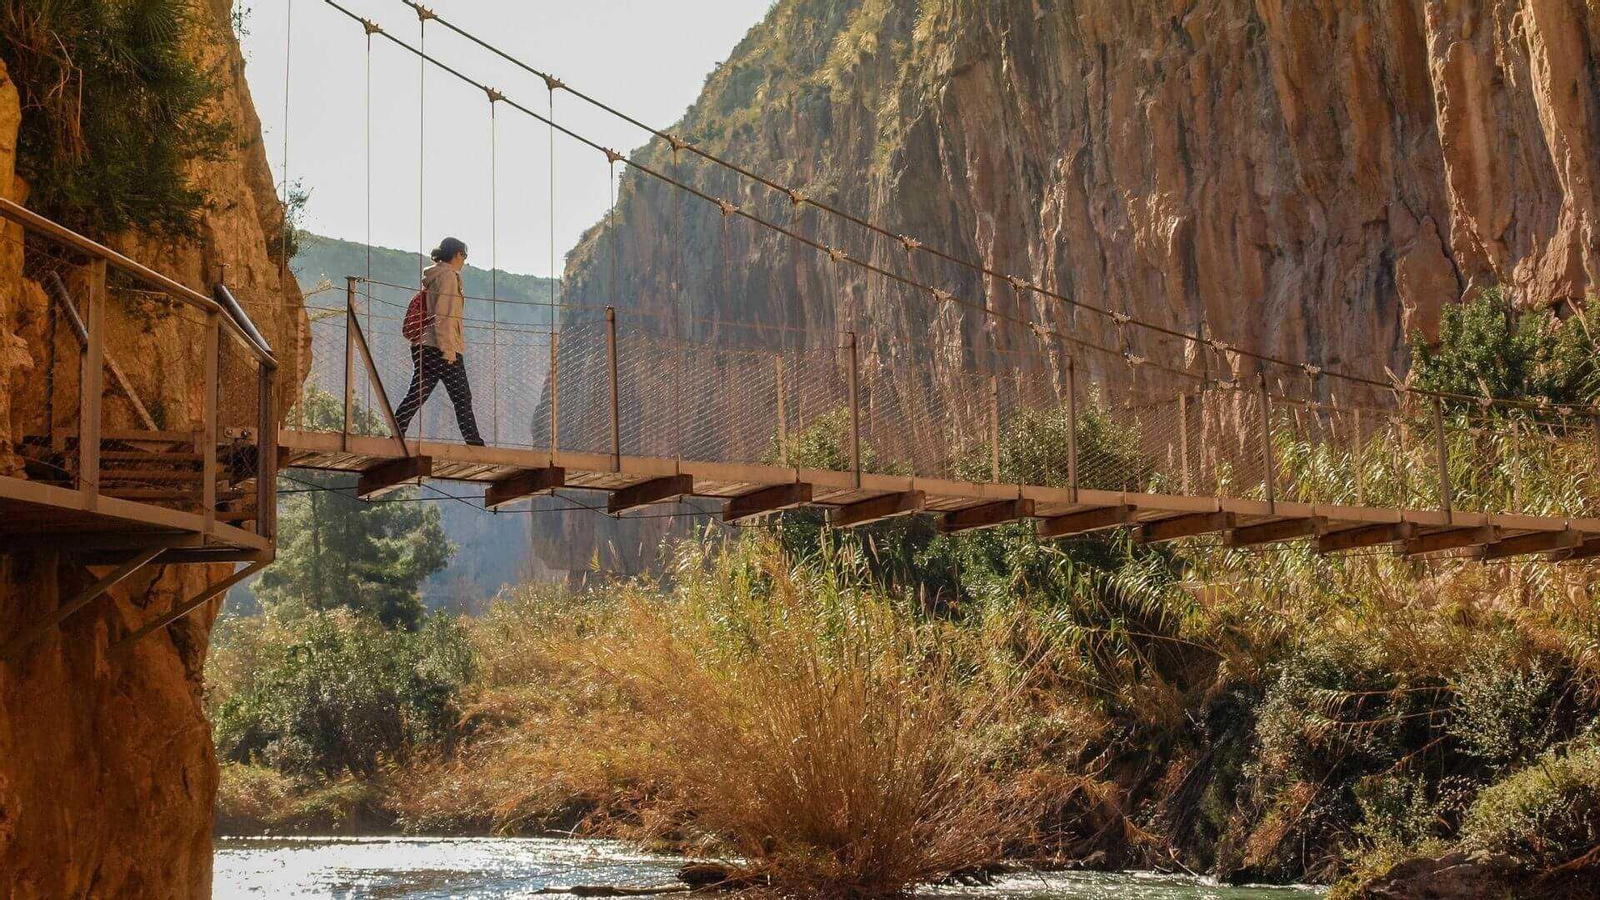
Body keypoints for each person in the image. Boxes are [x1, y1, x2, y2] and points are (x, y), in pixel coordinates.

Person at [394, 237, 485, 446]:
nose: (464, 261)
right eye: (464, 256)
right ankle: (475, 444)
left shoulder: (434, 276)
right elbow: (444, 316)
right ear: (457, 254)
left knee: (418, 393)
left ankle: (397, 430)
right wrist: (449, 351)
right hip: (440, 348)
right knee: (462, 397)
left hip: (423, 345)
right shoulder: (449, 278)